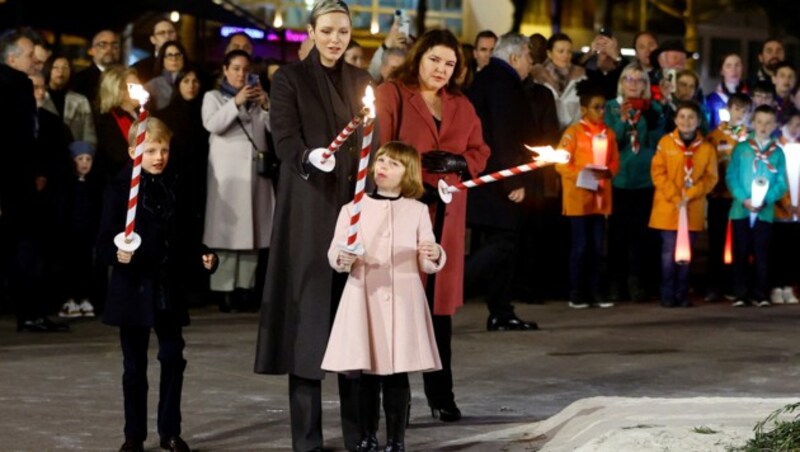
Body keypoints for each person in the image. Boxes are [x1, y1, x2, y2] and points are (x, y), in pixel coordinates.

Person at [254, 1, 372, 450]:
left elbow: (370, 140)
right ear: (312, 31)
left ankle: (359, 434)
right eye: (327, 31)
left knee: (351, 318)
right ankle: (307, 440)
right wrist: (306, 157)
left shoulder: (361, 81)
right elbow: (282, 136)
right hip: (308, 211)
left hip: (353, 208)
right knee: (308, 321)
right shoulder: (289, 79)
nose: (335, 39)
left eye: (342, 31)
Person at [375, 28, 490, 422]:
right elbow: (381, 150)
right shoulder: (392, 93)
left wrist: (462, 164)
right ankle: (397, 400)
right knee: (402, 305)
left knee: (438, 311)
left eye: (450, 64)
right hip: (404, 211)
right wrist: (411, 181)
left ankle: (442, 394)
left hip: (447, 216)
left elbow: (480, 151)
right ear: (419, 57)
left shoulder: (460, 104)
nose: (442, 69)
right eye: (435, 60)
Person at [97, 117, 217, 452]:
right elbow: (103, 241)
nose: (159, 156)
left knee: (172, 357)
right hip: (133, 289)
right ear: (134, 150)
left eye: (163, 149)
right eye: (150, 150)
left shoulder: (176, 183)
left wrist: (204, 256)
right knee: (134, 367)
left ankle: (169, 431)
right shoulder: (119, 188)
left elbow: (187, 237)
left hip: (167, 288)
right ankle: (133, 434)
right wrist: (115, 254)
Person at [321, 142, 444, 452]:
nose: (383, 167)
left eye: (393, 164)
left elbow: (427, 258)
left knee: (397, 375)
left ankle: (396, 440)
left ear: (408, 174)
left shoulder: (416, 211)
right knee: (366, 374)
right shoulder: (353, 209)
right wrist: (343, 259)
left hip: (403, 298)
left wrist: (434, 253)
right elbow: (336, 251)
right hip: (365, 296)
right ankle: (367, 437)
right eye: (380, 161)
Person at [466, 32, 537, 331]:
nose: (532, 64)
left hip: (486, 179)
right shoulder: (503, 84)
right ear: (514, 58)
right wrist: (514, 179)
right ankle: (456, 285)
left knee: (502, 242)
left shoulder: (487, 78)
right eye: (529, 57)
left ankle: (501, 310)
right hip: (497, 180)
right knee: (504, 242)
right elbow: (505, 134)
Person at [1, 30, 67, 332]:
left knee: (28, 249)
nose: (36, 62)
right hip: (12, 186)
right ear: (12, 58)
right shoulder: (10, 86)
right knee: (23, 250)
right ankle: (28, 312)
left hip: (22, 184)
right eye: (30, 56)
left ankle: (31, 311)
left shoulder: (20, 86)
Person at [202, 49, 274, 313]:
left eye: (245, 69)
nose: (240, 74)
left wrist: (266, 104)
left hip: (255, 176)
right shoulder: (213, 97)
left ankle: (245, 289)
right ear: (224, 69)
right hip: (228, 177)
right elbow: (212, 124)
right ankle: (223, 292)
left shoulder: (257, 99)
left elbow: (276, 129)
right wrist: (235, 103)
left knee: (252, 234)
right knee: (225, 235)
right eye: (235, 68)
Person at [555, 80, 620, 309]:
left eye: (603, 107)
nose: (601, 111)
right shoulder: (573, 133)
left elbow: (614, 162)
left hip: (600, 199)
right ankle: (576, 292)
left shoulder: (608, 134)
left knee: (597, 247)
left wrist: (607, 172)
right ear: (583, 110)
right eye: (597, 107)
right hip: (578, 199)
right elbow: (561, 163)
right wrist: (581, 174)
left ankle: (596, 292)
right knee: (580, 246)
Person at [604, 63, 665, 302]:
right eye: (629, 78)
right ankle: (615, 283)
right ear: (621, 82)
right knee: (618, 236)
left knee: (642, 236)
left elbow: (656, 143)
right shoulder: (611, 106)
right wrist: (621, 121)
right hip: (620, 179)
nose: (633, 83)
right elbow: (611, 142)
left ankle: (638, 282)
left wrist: (649, 121)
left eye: (640, 80)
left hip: (645, 180)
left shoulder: (655, 108)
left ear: (646, 86)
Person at [649, 101, 718, 308]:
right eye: (682, 117)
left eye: (691, 117)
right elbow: (658, 173)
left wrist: (690, 194)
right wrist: (676, 196)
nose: (686, 121)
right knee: (669, 253)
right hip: (669, 207)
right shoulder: (666, 143)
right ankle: (667, 293)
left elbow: (710, 178)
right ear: (675, 120)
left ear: (698, 121)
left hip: (692, 208)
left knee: (687, 253)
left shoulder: (706, 148)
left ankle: (682, 293)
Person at [727, 105, 787, 307]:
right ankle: (741, 293)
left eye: (768, 122)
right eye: (760, 122)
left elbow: (781, 183)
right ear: (752, 123)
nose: (763, 126)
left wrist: (766, 199)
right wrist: (743, 198)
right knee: (741, 252)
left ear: (775, 125)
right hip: (741, 210)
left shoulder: (777, 153)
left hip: (764, 212)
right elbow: (731, 176)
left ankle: (760, 293)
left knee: (761, 254)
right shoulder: (742, 148)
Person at [704, 93, 752, 302]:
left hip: (742, 199)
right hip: (720, 196)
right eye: (736, 109)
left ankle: (737, 285)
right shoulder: (715, 135)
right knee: (717, 242)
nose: (740, 114)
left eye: (744, 110)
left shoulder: (750, 137)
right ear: (728, 110)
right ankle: (714, 286)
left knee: (741, 244)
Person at [57, 141, 103, 318]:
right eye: (80, 159)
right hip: (70, 234)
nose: (84, 163)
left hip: (88, 234)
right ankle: (70, 300)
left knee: (87, 266)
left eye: (88, 159)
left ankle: (84, 298)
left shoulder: (95, 185)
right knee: (70, 266)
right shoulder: (67, 185)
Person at [94, 66, 141, 182]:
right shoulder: (105, 121)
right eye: (132, 86)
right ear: (117, 90)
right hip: (119, 182)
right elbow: (117, 157)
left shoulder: (142, 113)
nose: (140, 88)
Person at [531, 32, 586, 131]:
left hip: (573, 135)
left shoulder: (580, 78)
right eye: (561, 51)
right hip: (545, 134)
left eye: (569, 52)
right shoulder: (538, 78)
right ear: (549, 53)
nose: (566, 55)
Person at [42, 54, 97, 146]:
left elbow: (89, 134)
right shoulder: (40, 98)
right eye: (55, 67)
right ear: (48, 70)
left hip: (75, 154)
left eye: (65, 67)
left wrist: (86, 154)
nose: (60, 72)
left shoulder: (80, 101)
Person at [72, 29, 120, 109]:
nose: (109, 49)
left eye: (114, 45)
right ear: (92, 50)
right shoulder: (80, 80)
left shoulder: (125, 78)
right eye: (103, 45)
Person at [705, 53, 749, 131]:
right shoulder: (711, 100)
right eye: (729, 66)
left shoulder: (751, 96)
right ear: (721, 71)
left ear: (742, 68)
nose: (734, 70)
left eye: (737, 65)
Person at [146, 40, 188, 111]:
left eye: (178, 55)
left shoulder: (193, 81)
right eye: (169, 55)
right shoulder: (152, 85)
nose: (174, 59)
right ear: (162, 60)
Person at [133, 19, 178, 83]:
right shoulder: (139, 69)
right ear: (152, 39)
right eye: (162, 33)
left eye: (171, 32)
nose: (167, 36)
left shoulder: (190, 68)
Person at [771, 61, 797, 126]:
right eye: (782, 76)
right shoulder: (766, 100)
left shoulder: (797, 103)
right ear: (774, 79)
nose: (787, 80)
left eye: (790, 76)